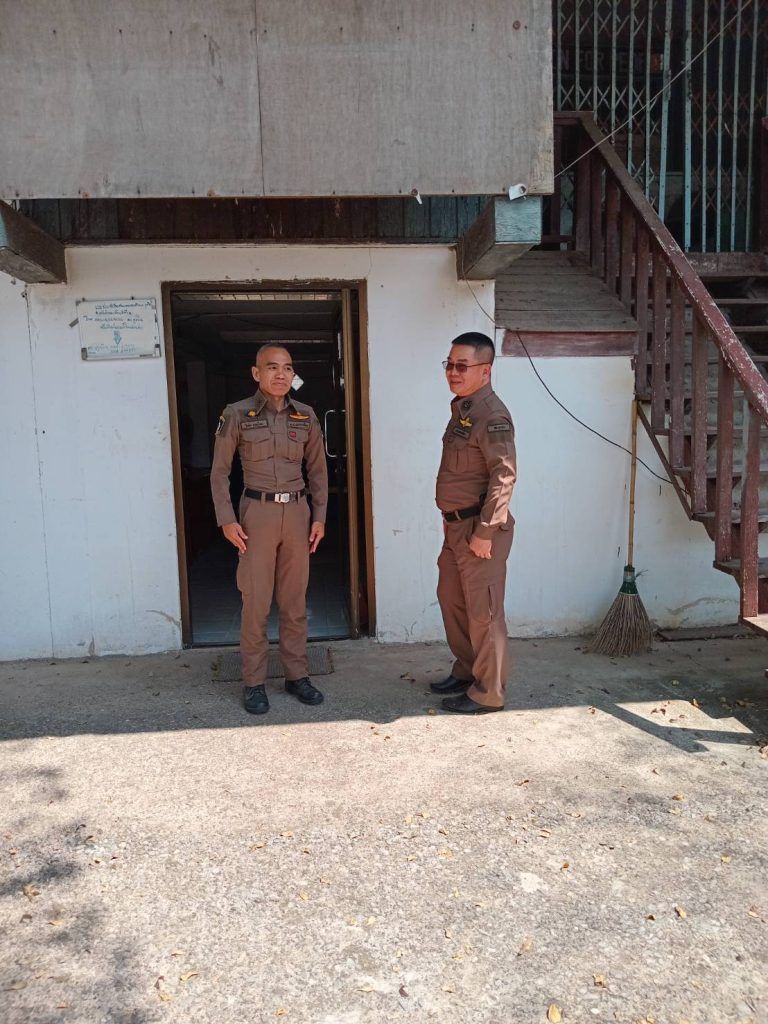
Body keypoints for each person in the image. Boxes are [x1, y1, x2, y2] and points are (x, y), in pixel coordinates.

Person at [210, 345, 328, 715]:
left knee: (294, 602)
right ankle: (254, 682)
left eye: (287, 368)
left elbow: (318, 471)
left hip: (297, 513)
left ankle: (297, 676)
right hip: (255, 514)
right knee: (256, 602)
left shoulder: (305, 415)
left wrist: (320, 517)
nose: (281, 374)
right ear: (256, 373)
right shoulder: (236, 414)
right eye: (272, 367)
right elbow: (219, 473)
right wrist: (227, 519)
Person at [432, 332, 517, 714]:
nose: (453, 371)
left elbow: (504, 474)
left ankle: (488, 692)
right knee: (451, 598)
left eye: (462, 365)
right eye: (450, 364)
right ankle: (468, 669)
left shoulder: (492, 415)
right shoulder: (463, 411)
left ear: (486, 370)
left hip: (479, 531)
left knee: (485, 613)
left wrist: (485, 532)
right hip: (456, 529)